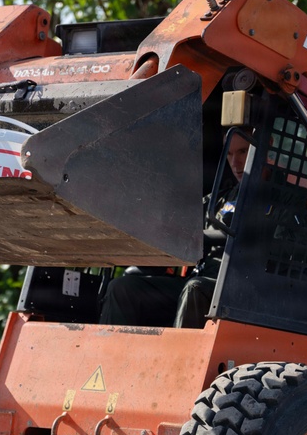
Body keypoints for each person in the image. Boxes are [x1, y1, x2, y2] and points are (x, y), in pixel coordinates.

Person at [99, 131, 251, 328]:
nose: (235, 162)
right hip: (203, 280)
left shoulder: (284, 199)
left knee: (194, 289)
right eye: (229, 154)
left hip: (243, 289)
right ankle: (109, 356)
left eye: (242, 152)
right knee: (122, 288)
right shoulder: (220, 199)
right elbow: (180, 222)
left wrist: (200, 237)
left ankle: (179, 358)